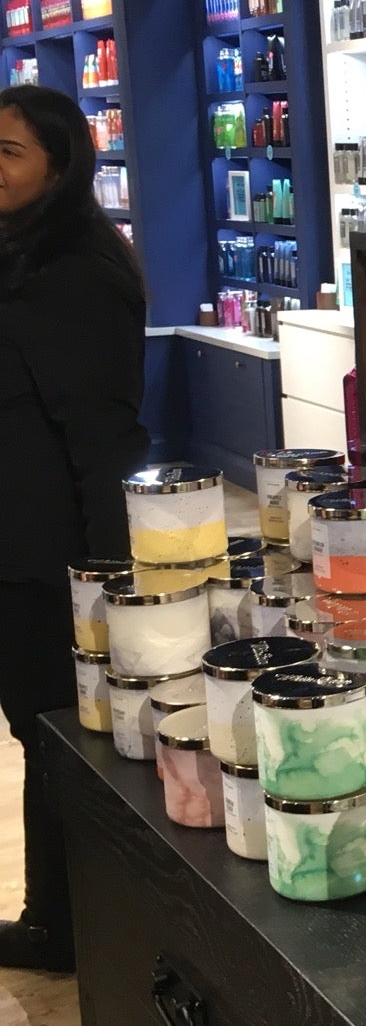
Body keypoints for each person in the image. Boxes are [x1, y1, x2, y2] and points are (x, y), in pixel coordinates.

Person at [0, 85, 147, 971]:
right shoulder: (25, 255)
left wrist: (107, 579)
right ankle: (62, 915)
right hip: (19, 549)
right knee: (44, 731)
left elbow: (102, 439)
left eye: (9, 151)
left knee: (54, 733)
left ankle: (65, 923)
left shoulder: (74, 274)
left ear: (60, 167)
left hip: (45, 559)